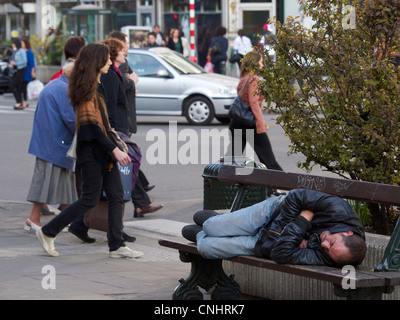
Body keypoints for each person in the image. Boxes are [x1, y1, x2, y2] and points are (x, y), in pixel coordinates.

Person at [36, 43, 143, 259]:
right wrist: (115, 150)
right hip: (92, 154)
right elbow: (92, 127)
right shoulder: (86, 90)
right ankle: (48, 231)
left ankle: (116, 245)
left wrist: (114, 150)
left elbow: (101, 125)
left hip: (103, 153)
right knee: (89, 199)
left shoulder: (95, 86)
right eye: (107, 59)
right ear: (97, 62)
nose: (111, 62)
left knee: (115, 196)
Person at [182, 189, 367, 267]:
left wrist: (303, 219)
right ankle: (214, 224)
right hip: (272, 212)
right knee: (210, 226)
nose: (324, 245)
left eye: (327, 251)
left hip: (264, 245)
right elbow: (295, 197)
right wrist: (284, 235)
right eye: (332, 242)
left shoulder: (334, 258)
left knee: (205, 248)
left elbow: (281, 255)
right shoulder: (339, 209)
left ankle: (202, 234)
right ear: (347, 232)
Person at [106, 31, 163, 219]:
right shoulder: (113, 71)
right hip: (119, 125)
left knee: (126, 162)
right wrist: (131, 82)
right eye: (124, 47)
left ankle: (140, 202)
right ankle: (139, 202)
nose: (126, 50)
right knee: (126, 162)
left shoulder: (117, 68)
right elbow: (123, 86)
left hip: (120, 122)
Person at [25, 63, 77, 232]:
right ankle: (33, 218)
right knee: (47, 180)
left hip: (48, 139)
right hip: (55, 142)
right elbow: (71, 119)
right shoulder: (64, 89)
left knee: (63, 180)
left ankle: (66, 218)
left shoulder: (55, 84)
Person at [228, 51, 283, 179]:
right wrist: (260, 124)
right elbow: (254, 104)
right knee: (269, 160)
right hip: (250, 125)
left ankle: (227, 187)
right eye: (260, 62)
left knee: (233, 161)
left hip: (236, 123)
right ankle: (284, 186)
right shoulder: (254, 79)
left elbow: (245, 102)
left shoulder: (243, 78)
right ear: (254, 63)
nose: (262, 65)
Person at [10, 38, 27, 110]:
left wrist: (16, 63)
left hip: (21, 70)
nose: (12, 45)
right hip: (17, 70)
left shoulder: (21, 51)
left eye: (13, 43)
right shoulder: (16, 51)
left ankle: (18, 102)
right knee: (18, 87)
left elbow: (24, 61)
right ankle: (20, 103)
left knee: (13, 85)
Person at [21, 38, 35, 108]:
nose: (21, 45)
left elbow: (32, 63)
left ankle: (25, 101)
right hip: (22, 70)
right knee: (23, 87)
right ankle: (24, 101)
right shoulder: (21, 51)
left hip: (27, 71)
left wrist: (32, 72)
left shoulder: (29, 52)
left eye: (22, 43)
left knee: (24, 86)